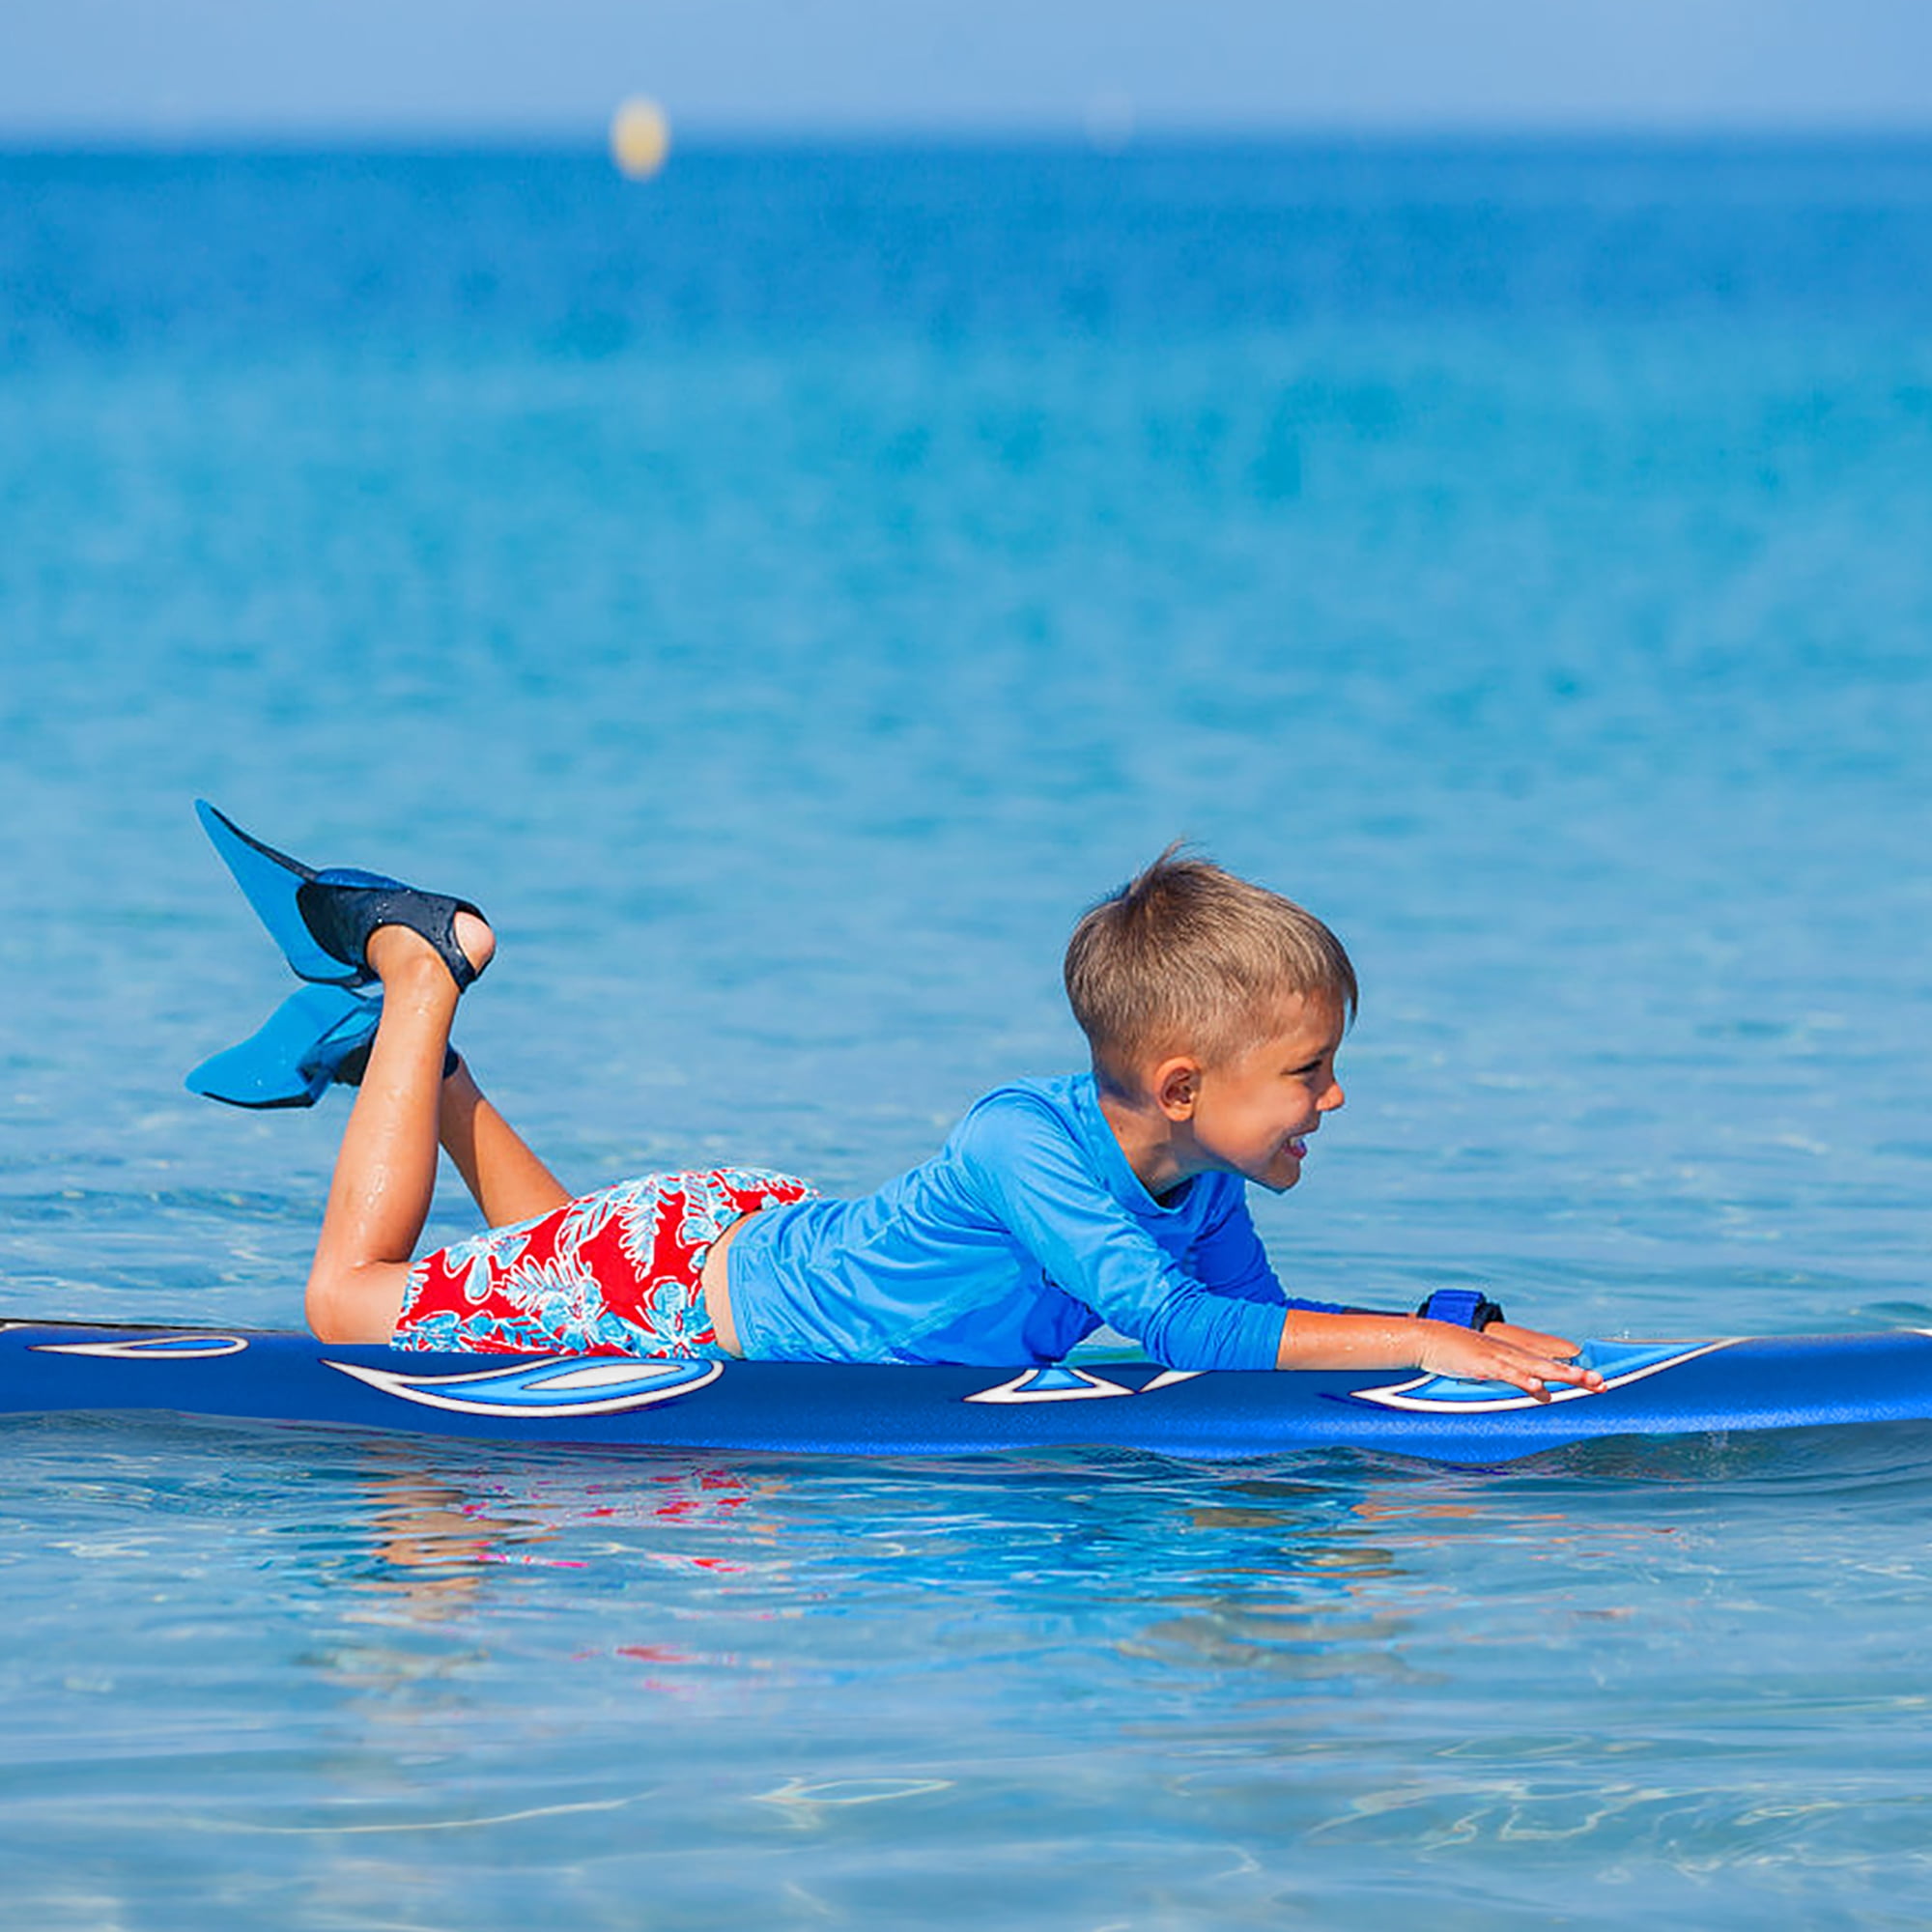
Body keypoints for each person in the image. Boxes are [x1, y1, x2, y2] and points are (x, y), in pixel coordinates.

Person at [291, 844, 1602, 1400]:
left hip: (739, 1243)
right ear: (1188, 1084)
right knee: (348, 1308)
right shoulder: (1022, 1144)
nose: (1334, 1097)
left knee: (544, 1262)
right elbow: (1178, 1327)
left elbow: (1238, 1342)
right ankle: (420, 970)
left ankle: (430, 1081)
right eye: (1311, 1070)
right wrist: (1424, 1351)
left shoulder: (1203, 1179)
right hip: (684, 1286)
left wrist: (1420, 1344)